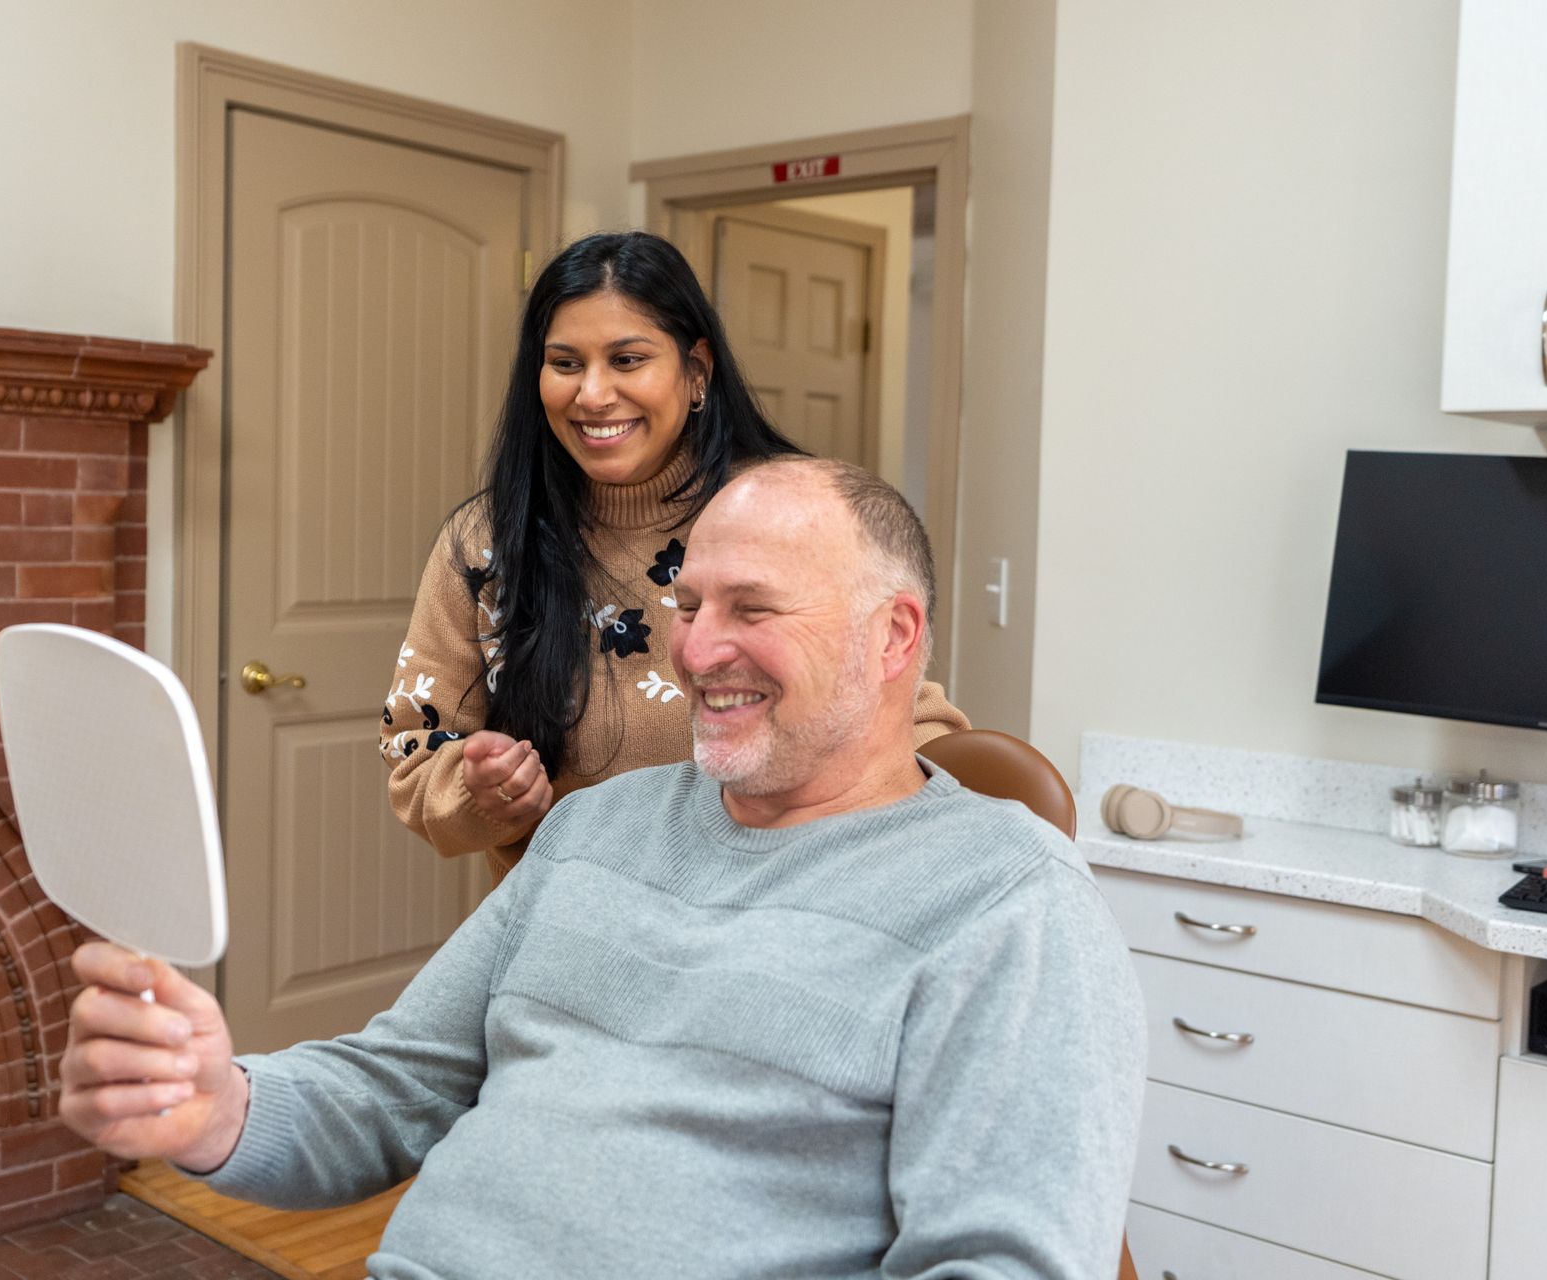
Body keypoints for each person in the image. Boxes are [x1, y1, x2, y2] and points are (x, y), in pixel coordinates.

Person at [61, 458, 1146, 1280]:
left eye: (751, 608)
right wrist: (213, 1106)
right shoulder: (595, 830)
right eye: (689, 604)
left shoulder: (1009, 902)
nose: (695, 648)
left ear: (894, 635)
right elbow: (398, 1081)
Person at [379, 230, 967, 880]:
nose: (593, 394)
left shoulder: (787, 512)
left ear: (696, 372)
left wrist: (953, 832)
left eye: (628, 360)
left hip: (760, 924)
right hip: (568, 937)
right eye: (565, 363)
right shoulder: (488, 540)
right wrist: (480, 793)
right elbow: (415, 753)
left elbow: (905, 717)